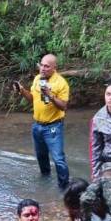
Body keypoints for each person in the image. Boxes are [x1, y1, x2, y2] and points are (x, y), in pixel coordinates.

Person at [14, 54, 70, 189]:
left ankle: (64, 189)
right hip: (37, 126)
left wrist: (50, 95)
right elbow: (33, 98)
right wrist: (22, 91)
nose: (43, 68)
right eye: (42, 65)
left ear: (54, 68)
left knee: (58, 159)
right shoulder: (38, 79)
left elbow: (64, 106)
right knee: (41, 157)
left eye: (47, 66)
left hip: (53, 126)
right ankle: (45, 185)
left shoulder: (61, 83)